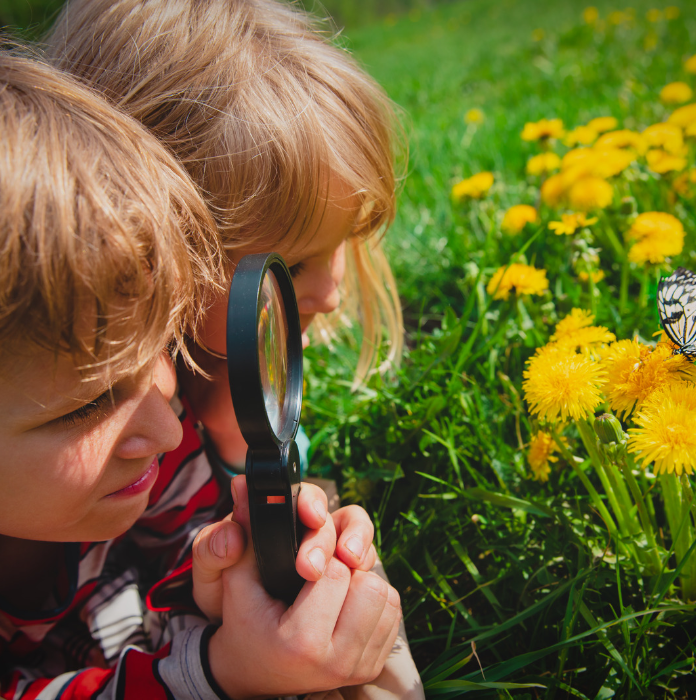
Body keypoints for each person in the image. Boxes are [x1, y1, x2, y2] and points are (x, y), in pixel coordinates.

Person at [46, 3, 424, 695]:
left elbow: (177, 568)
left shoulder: (240, 389)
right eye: (297, 265)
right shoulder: (72, 438)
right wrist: (219, 668)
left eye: (343, 246)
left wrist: (218, 574)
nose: (335, 292)